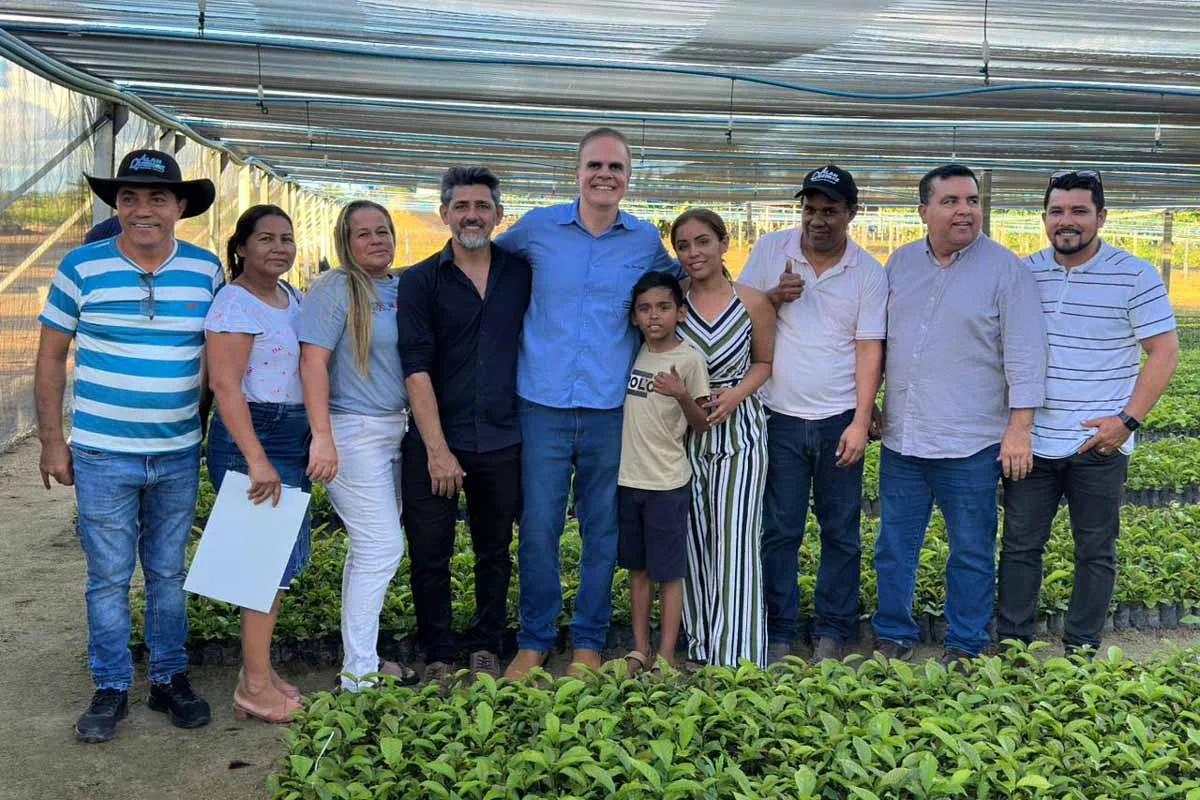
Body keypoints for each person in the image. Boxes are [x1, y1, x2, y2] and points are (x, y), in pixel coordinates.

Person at [35, 149, 220, 742]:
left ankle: (168, 679)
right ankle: (111, 684)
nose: (143, 209)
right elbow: (50, 357)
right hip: (101, 452)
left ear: (180, 206)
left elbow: (219, 357)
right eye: (129, 198)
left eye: (157, 198)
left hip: (178, 452)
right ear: (116, 206)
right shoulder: (81, 267)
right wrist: (51, 441)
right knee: (109, 577)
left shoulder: (206, 270)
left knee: (168, 572)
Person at [496, 127, 677, 679]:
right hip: (542, 403)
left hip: (610, 407)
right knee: (539, 527)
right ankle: (535, 638)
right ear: (576, 172)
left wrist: (762, 297)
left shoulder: (644, 241)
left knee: (603, 529)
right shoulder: (537, 229)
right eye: (595, 165)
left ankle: (589, 641)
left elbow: (686, 286)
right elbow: (480, 265)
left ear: (628, 178)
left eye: (615, 167)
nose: (604, 175)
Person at [873, 164, 1047, 666]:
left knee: (970, 549)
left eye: (972, 200)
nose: (965, 210)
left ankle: (965, 642)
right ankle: (892, 633)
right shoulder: (901, 263)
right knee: (894, 545)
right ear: (923, 210)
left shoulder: (1006, 270)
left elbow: (1026, 354)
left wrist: (1019, 429)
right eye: (950, 201)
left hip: (972, 443)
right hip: (904, 439)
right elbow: (881, 342)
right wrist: (872, 403)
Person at [998, 170, 1178, 654]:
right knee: (1019, 546)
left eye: (1079, 211)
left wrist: (1127, 422)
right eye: (1056, 211)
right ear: (1043, 218)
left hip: (1098, 442)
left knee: (1095, 551)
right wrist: (1013, 427)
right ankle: (1013, 647)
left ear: (1101, 217)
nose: (1067, 221)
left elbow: (1164, 352)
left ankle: (1080, 649)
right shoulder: (1023, 272)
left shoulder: (1135, 274)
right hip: (1032, 440)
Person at [739, 165, 887, 664]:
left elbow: (869, 348)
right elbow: (737, 313)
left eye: (829, 211)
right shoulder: (771, 251)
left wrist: (860, 421)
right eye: (809, 209)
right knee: (779, 528)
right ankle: (778, 628)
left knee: (840, 530)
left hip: (837, 419)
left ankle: (833, 628)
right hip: (778, 415)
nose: (817, 220)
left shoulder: (867, 272)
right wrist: (771, 298)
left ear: (851, 214)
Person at [396, 167, 530, 682]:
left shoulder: (520, 273)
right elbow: (415, 366)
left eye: (482, 206)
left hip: (501, 437)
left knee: (494, 551)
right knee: (430, 553)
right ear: (444, 214)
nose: (472, 215)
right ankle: (438, 651)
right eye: (461, 206)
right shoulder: (421, 280)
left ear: (499, 214)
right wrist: (437, 449)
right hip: (436, 440)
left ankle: (487, 643)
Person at [299, 199, 416, 691]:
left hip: (397, 429)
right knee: (382, 547)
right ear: (345, 243)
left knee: (369, 550)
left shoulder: (401, 287)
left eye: (382, 231)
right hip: (353, 430)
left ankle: (360, 660)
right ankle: (359, 676)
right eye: (363, 233)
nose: (376, 240)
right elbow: (311, 362)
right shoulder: (336, 288)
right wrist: (322, 436)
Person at [204, 204, 310, 722]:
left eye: (286, 238)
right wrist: (256, 459)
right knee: (261, 570)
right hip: (256, 436)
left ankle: (259, 674)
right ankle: (252, 687)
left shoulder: (292, 297)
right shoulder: (234, 303)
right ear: (241, 247)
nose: (278, 248)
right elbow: (225, 387)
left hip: (290, 433)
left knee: (275, 566)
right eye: (265, 238)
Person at [672, 208, 775, 668]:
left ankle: (738, 652)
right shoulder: (674, 303)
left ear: (723, 243)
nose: (694, 253)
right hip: (684, 432)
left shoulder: (752, 302)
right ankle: (700, 642)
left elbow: (764, 362)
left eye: (702, 242)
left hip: (741, 432)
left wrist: (735, 395)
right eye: (683, 246)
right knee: (693, 537)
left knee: (736, 538)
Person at [618, 271, 710, 675]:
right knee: (638, 570)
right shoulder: (633, 351)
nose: (654, 316)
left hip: (668, 483)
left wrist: (682, 394)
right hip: (628, 480)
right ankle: (640, 649)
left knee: (670, 573)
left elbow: (702, 422)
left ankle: (667, 654)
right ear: (634, 317)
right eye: (645, 309)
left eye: (663, 307)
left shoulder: (689, 360)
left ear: (681, 313)